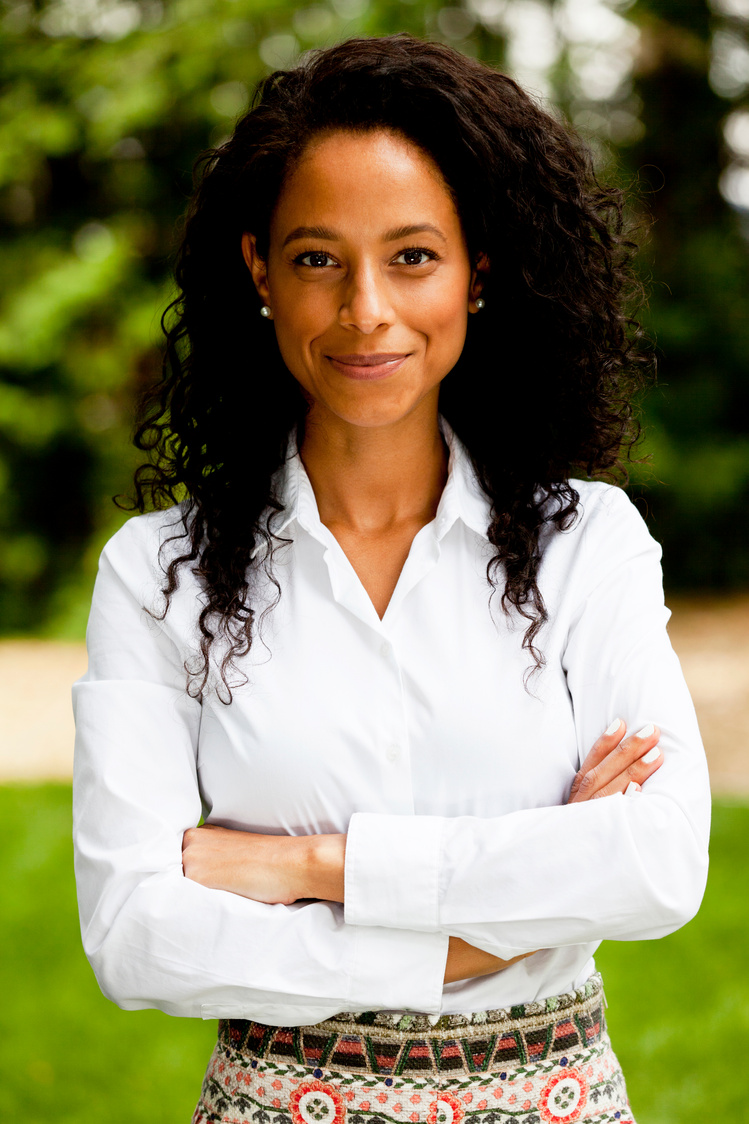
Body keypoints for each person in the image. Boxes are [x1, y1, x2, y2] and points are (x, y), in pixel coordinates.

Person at [72, 33, 711, 1124]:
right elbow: (136, 936)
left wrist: (314, 864)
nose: (365, 308)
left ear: (479, 274)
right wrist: (469, 933)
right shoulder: (157, 575)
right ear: (259, 271)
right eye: (319, 257)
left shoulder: (585, 543)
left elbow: (654, 865)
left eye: (411, 255)